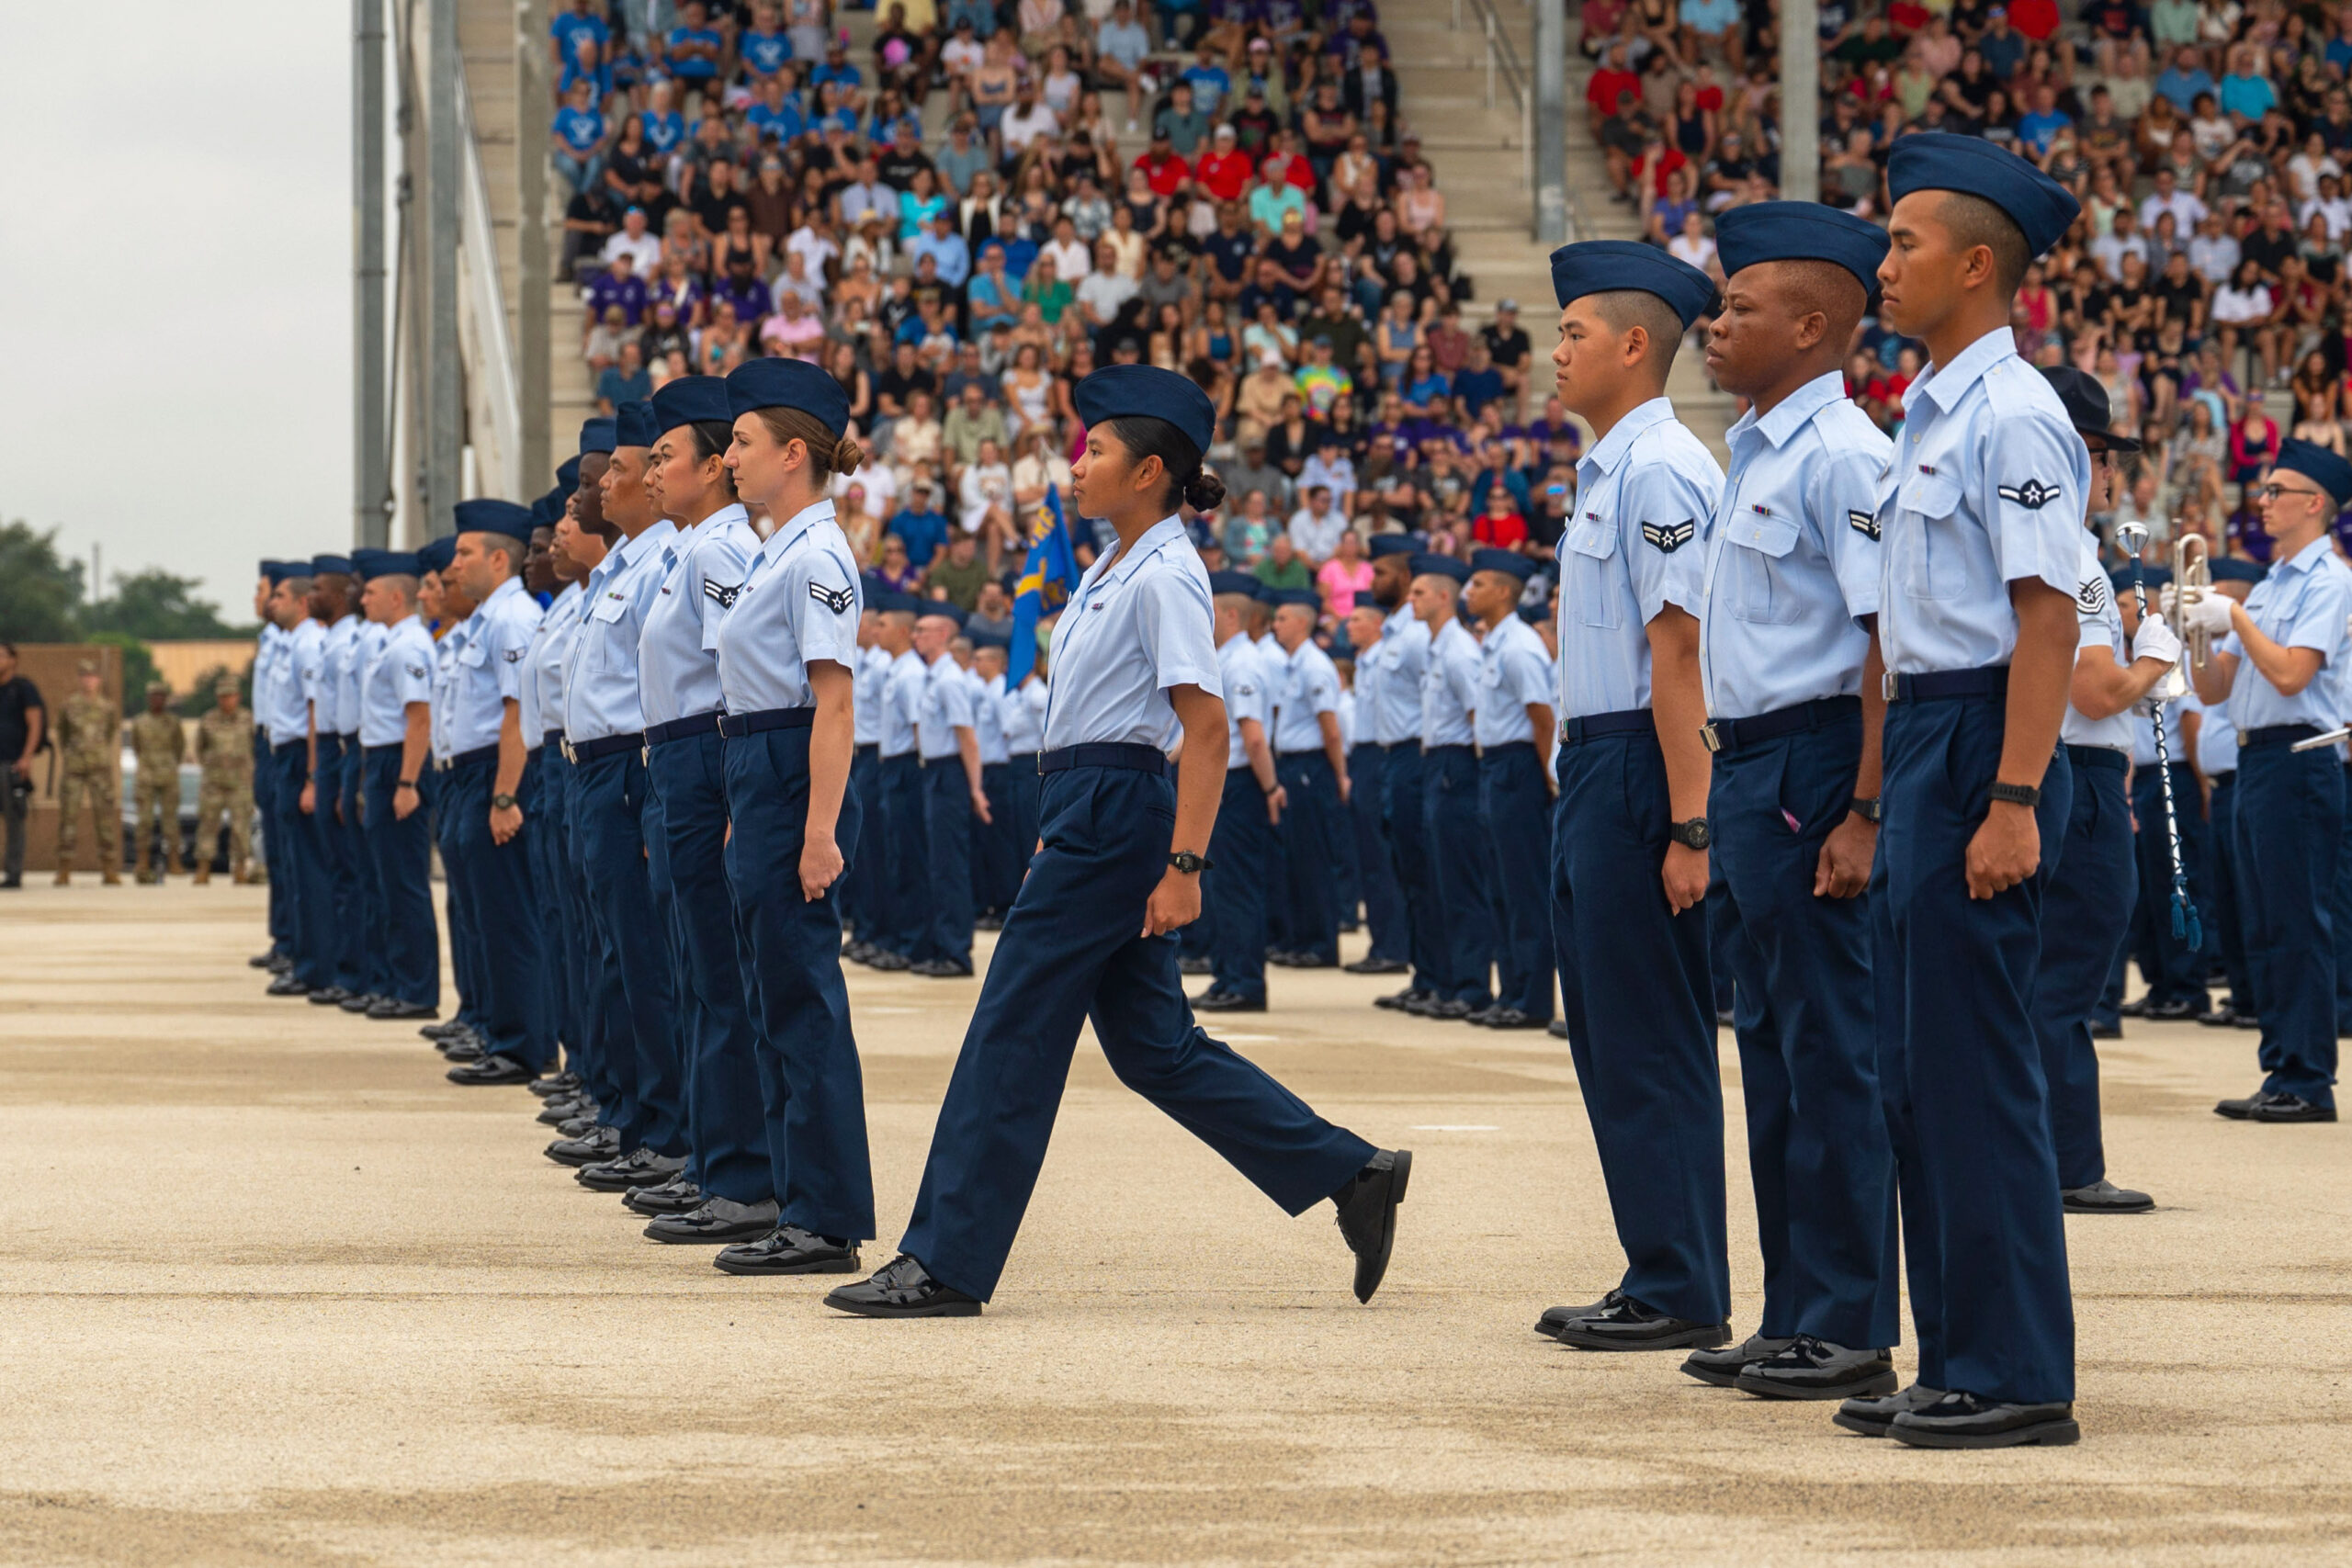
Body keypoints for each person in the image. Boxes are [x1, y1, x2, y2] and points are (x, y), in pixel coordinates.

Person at [823, 365, 1409, 1318]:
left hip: (1113, 809)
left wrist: (1184, 865)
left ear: (1149, 471)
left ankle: (944, 1261)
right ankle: (1352, 1174)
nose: (1075, 464)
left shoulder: (1168, 572)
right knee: (1155, 1049)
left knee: (1008, 1032)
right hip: (1087, 801)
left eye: (1095, 449)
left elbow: (1205, 728)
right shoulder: (1113, 564)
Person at [1838, 133, 2089, 1450]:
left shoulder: (2015, 414)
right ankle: (1955, 1352)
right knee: (1915, 1067)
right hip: (1932, 737)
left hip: (1984, 735)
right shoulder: (1931, 413)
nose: (1883, 266)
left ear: (1978, 263)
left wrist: (2013, 794)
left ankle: (2017, 1369)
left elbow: (2046, 616)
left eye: (1904, 243)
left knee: (1977, 1066)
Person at [1677, 203, 1898, 1399]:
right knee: (1770, 1046)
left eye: (1743, 308)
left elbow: (1884, 647)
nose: (1715, 325)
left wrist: (1865, 808)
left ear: (1814, 327)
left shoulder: (1841, 456)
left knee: (1832, 1049)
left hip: (1817, 766)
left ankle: (1852, 1316)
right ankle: (1794, 1304)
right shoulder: (1760, 449)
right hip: (1758, 765)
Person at [1530, 241, 1729, 1357]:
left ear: (1634, 345)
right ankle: (1661, 1261)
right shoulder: (1611, 469)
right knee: (1610, 1032)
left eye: (1573, 333)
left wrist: (1691, 820)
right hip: (1599, 760)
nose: (1556, 352)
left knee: (1646, 1033)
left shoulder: (1659, 470)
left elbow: (1680, 650)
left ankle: (1680, 1280)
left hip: (1642, 765)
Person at [704, 355, 878, 1278]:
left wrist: (818, 831)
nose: (730, 456)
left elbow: (832, 705)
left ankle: (825, 1214)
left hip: (786, 763)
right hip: (757, 767)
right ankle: (790, 1195)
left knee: (801, 998)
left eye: (742, 442)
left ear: (794, 453)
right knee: (770, 993)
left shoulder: (816, 556)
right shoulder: (779, 548)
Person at [635, 375, 782, 1247]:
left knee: (719, 980)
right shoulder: (690, 549)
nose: (654, 473)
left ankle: (741, 1179)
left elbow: (738, 671)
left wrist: (728, 789)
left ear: (714, 469)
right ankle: (710, 1160)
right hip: (679, 757)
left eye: (666, 457)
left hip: (706, 753)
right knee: (695, 971)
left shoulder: (722, 550)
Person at [2031, 365, 2177, 1217]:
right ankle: (2070, 1162)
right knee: (2071, 981)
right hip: (2075, 775)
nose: (2112, 476)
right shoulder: (2081, 564)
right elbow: (2093, 694)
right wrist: (2151, 665)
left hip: (2073, 770)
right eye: (2105, 456)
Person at [2179, 437, 2352, 1126]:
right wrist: (2192, 632)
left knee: (2297, 921)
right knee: (2264, 919)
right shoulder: (2278, 578)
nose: (2265, 499)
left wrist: (2237, 618)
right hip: (2257, 760)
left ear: (2315, 503)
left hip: (2301, 759)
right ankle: (2281, 1065)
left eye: (2278, 490)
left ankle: (2308, 1078)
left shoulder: (2328, 581)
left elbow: (2290, 674)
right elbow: (2216, 689)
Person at [555, 400, 688, 1191]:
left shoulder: (666, 560)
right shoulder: (627, 564)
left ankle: (664, 1129)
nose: (603, 484)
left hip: (635, 768)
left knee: (647, 960)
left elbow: (658, 686)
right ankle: (635, 1115)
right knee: (617, 952)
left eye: (617, 470)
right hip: (597, 767)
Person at [441, 499, 556, 1089]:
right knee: (483, 916)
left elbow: (516, 712)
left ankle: (521, 1046)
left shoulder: (511, 618)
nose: (453, 564)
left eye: (464, 553)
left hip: (495, 773)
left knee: (508, 919)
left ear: (497, 558)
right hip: (470, 774)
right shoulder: (487, 618)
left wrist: (506, 796)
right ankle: (496, 1029)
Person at [1464, 551, 1555, 1031]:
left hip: (1520, 766)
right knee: (1499, 886)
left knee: (1523, 888)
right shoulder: (1494, 644)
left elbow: (1542, 717)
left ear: (1503, 591)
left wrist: (1547, 778)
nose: (1468, 592)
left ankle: (1533, 997)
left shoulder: (1519, 646)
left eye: (1477, 584)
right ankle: (1512, 989)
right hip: (1495, 767)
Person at [1408, 555, 1497, 1020]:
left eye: (1420, 592)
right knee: (1440, 879)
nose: (1411, 599)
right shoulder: (1438, 646)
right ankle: (1448, 981)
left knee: (1461, 882)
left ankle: (1471, 986)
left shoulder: (1460, 649)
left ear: (1445, 596)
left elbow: (1478, 715)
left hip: (1456, 765)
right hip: (1436, 763)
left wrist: (1474, 777)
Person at [354, 548, 441, 1021]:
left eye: (369, 592)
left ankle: (416, 989)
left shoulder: (409, 646)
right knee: (384, 880)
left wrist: (406, 782)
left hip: (399, 764)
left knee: (405, 882)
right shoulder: (390, 642)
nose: (361, 599)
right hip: (382, 760)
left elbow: (419, 720)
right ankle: (392, 981)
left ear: (394, 597)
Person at [1194, 570, 1284, 1013]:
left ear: (1230, 614)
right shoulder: (1225, 658)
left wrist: (1270, 787)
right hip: (1227, 782)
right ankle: (1227, 975)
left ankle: (1245, 982)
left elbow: (1252, 736)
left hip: (1242, 783)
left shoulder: (1243, 661)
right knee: (1221, 885)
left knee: (1237, 886)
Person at [1357, 536, 1435, 998]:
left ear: (1405, 578)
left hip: (1415, 755)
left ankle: (1440, 977)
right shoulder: (1396, 632)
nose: (1373, 581)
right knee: (1405, 869)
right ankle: (1424, 975)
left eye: (1382, 572)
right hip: (1391, 758)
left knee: (1423, 872)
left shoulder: (1418, 634)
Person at [1267, 588, 1348, 968]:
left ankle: (1321, 943)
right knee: (1295, 856)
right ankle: (1301, 938)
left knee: (1313, 857)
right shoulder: (1292, 663)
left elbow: (1329, 728)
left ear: (1301, 622)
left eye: (1282, 618)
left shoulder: (1314, 664)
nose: (1275, 625)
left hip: (1310, 766)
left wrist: (1340, 775)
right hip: (1291, 765)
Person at [911, 603, 989, 976]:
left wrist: (975, 789)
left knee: (950, 865)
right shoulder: (934, 676)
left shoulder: (950, 680)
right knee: (937, 863)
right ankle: (941, 945)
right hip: (934, 772)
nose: (916, 636)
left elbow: (967, 737)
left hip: (949, 774)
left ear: (944, 635)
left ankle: (957, 952)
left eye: (923, 630)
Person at [305, 555, 368, 1006]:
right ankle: (341, 969)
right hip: (332, 751)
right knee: (336, 870)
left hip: (350, 750)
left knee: (351, 873)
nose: (312, 597)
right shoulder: (331, 641)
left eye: (319, 589)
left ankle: (354, 972)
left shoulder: (355, 641)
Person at [262, 571, 324, 972]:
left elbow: (314, 714)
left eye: (280, 596)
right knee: (290, 862)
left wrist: (312, 777)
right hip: (283, 753)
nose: (271, 603)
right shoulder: (289, 644)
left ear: (302, 602)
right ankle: (298, 953)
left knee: (307, 866)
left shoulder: (308, 645)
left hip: (302, 754)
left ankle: (311, 961)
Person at [191, 677, 254, 886]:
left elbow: (257, 748)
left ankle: (240, 868)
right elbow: (199, 748)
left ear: (238, 697)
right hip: (213, 783)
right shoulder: (208, 719)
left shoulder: (248, 719)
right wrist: (211, 765)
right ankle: (203, 869)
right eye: (222, 696)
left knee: (240, 828)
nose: (226, 700)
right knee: (208, 826)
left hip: (240, 783)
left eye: (230, 696)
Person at [128, 682, 185, 882]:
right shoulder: (140, 722)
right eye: (154, 696)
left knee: (171, 822)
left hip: (168, 776)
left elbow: (179, 747)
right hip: (146, 776)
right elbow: (136, 746)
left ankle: (174, 862)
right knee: (144, 821)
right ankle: (142, 861)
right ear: (148, 699)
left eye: (161, 696)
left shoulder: (174, 722)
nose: (157, 700)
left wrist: (168, 763)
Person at [0, 641, 43, 889]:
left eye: (2, 655)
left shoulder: (23, 689)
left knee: (15, 821)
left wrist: (26, 757)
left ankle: (13, 874)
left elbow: (35, 724)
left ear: (13, 660)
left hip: (12, 765)